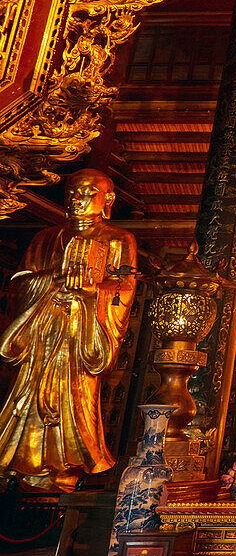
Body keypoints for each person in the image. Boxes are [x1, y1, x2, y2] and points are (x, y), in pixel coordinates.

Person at [0, 169, 137, 490]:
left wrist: (90, 290)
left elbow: (124, 287)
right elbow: (19, 283)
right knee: (26, 398)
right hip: (40, 334)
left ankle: (68, 465)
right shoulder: (45, 238)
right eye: (73, 193)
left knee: (74, 400)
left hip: (80, 336)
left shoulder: (118, 239)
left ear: (108, 200)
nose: (78, 199)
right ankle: (18, 465)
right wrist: (53, 281)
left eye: (88, 193)